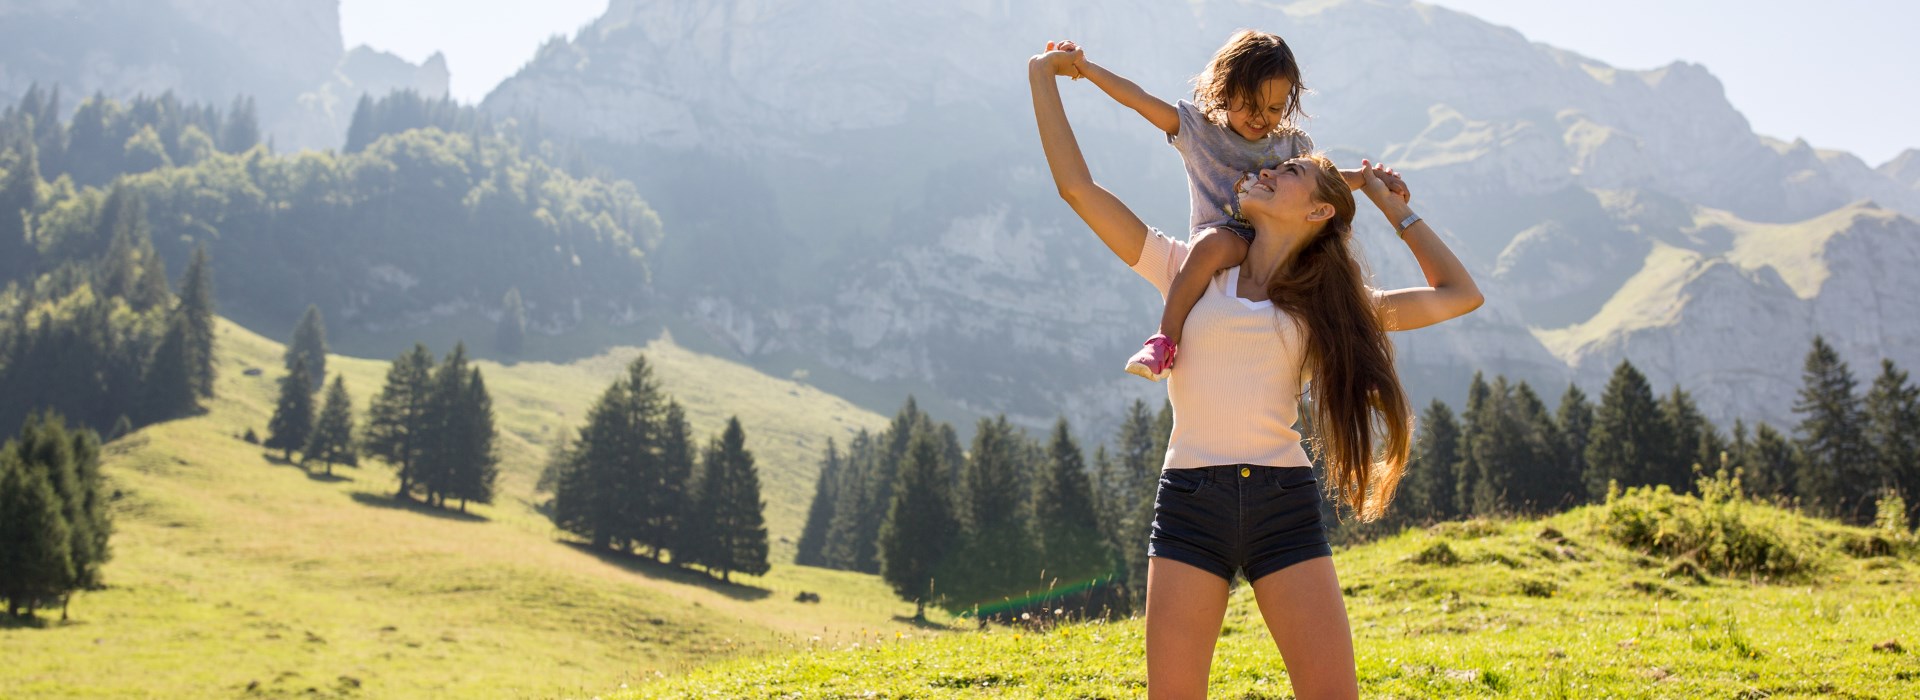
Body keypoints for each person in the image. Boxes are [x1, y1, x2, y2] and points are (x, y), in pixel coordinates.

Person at [1029, 40, 1484, 699]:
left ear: (1319, 210)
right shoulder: (1186, 266)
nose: (1268, 167)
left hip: (1284, 506)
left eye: (1287, 172)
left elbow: (1458, 295)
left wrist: (1393, 207)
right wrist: (1042, 76)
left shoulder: (1328, 308)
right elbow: (1078, 189)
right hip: (1189, 503)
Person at [1045, 33, 1406, 381]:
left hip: (1279, 243)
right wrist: (1087, 68)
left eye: (1275, 108)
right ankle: (1164, 340)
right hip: (1229, 239)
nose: (1260, 117)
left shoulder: (1291, 145)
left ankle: (1360, 369)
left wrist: (1370, 177)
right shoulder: (1200, 131)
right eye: (1249, 104)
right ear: (1224, 91)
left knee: (1341, 267)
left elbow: (1323, 184)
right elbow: (1139, 100)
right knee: (1211, 246)